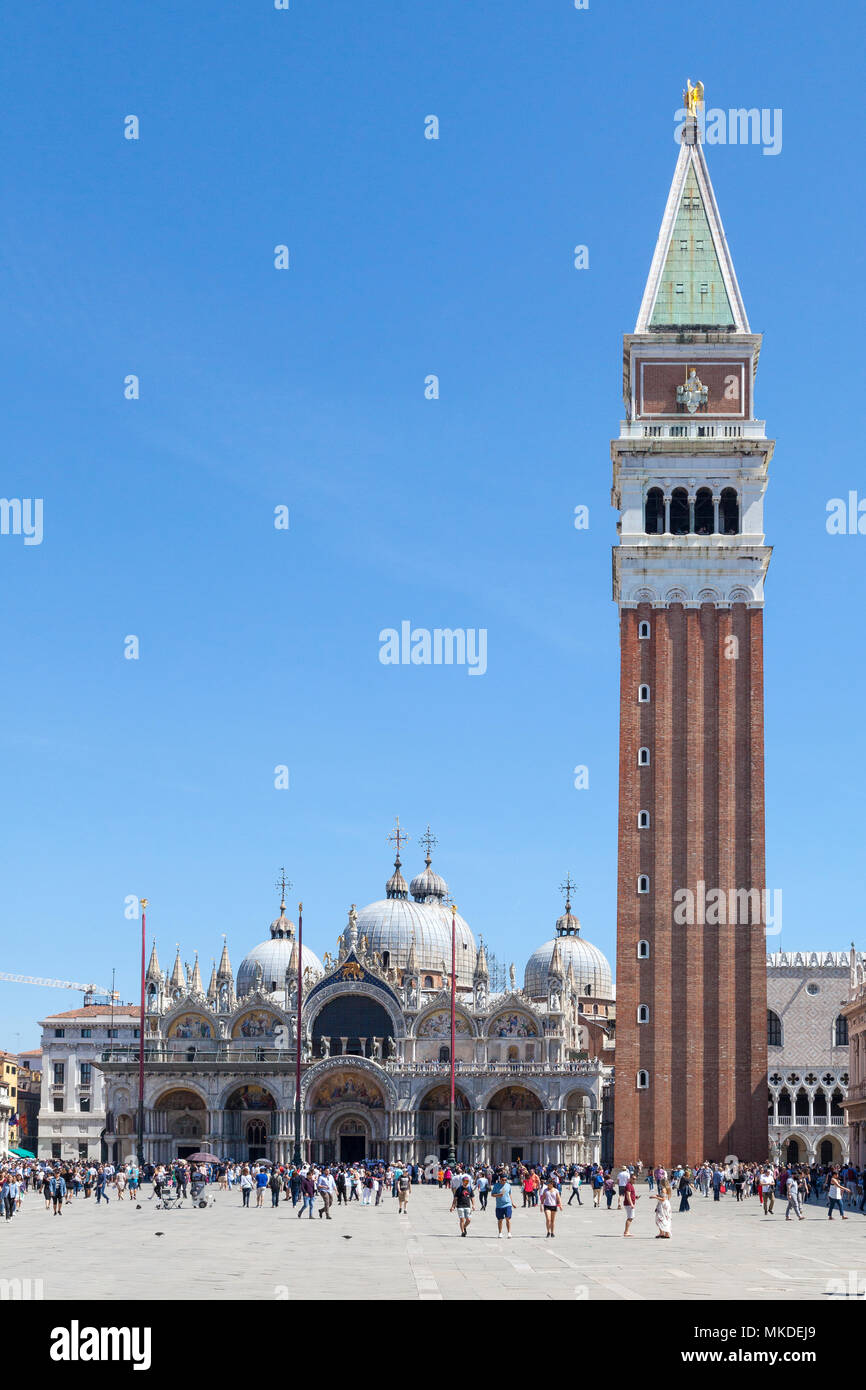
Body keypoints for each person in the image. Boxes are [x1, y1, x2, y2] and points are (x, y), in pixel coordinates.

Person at [491, 1172, 513, 1238]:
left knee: (508, 1218)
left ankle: (509, 1232)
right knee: (500, 1220)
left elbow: (510, 1194)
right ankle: (500, 1233)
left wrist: (512, 1203)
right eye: (503, 1180)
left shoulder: (508, 1185)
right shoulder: (496, 1186)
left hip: (508, 1204)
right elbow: (492, 1194)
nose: (504, 1181)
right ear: (500, 1179)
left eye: (505, 1180)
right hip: (499, 1205)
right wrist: (498, 1195)